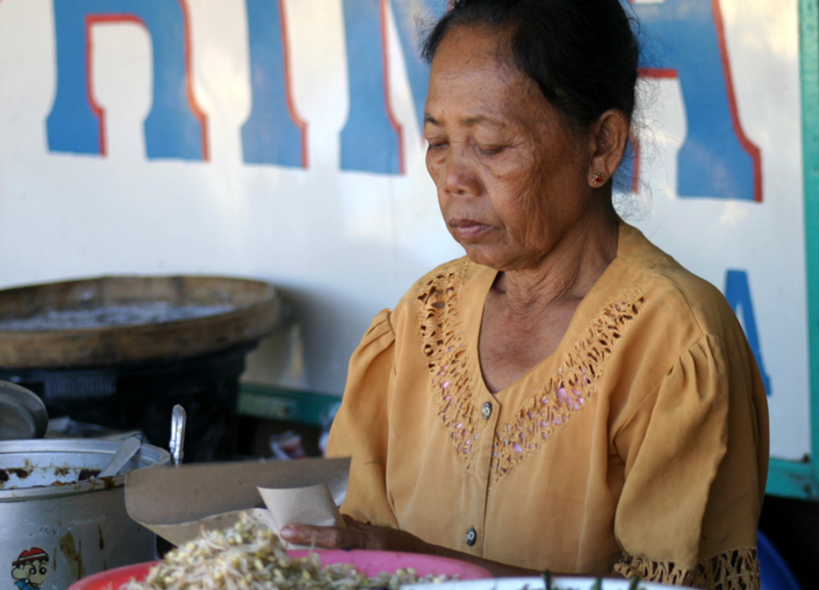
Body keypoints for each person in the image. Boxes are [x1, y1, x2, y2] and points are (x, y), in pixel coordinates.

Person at [281, 0, 769, 588]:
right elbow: (354, 544)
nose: (455, 179)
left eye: (490, 146)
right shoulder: (420, 321)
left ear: (601, 147)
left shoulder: (675, 345)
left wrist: (424, 566)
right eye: (438, 143)